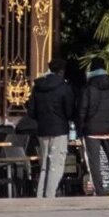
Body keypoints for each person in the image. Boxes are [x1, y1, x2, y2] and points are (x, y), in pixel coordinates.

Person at [76, 60, 109, 196]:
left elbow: (82, 110)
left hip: (91, 130)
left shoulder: (88, 88)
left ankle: (99, 190)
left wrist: (81, 127)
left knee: (95, 162)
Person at [26, 63, 75, 198]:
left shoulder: (38, 86)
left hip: (42, 129)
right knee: (56, 163)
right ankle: (50, 195)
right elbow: (69, 110)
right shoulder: (64, 87)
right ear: (61, 71)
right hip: (59, 129)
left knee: (44, 164)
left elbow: (31, 111)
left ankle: (40, 194)